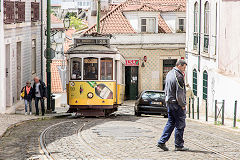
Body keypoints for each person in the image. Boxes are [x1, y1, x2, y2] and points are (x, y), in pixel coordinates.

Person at [157, 59, 189, 151]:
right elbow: (179, 93)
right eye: (184, 67)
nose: (184, 69)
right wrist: (182, 104)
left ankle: (162, 142)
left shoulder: (169, 73)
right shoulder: (178, 76)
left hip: (169, 103)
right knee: (180, 124)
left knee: (170, 123)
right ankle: (179, 145)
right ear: (180, 65)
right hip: (177, 104)